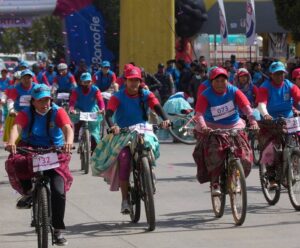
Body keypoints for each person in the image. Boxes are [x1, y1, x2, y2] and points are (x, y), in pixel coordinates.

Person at [91, 66, 170, 214]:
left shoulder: (146, 94)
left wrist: (165, 120)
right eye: (131, 80)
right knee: (124, 159)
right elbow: (108, 115)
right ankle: (125, 200)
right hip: (123, 133)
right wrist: (113, 126)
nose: (134, 83)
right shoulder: (117, 97)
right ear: (125, 81)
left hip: (143, 130)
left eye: (137, 80)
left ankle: (148, 173)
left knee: (149, 145)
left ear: (140, 81)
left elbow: (157, 107)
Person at [5, 84, 73, 245]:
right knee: (16, 162)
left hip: (54, 150)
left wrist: (69, 142)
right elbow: (17, 127)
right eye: (41, 100)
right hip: (30, 149)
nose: (45, 103)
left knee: (59, 191)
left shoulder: (58, 111)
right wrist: (11, 141)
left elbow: (67, 128)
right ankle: (29, 191)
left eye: (47, 99)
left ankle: (57, 230)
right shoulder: (26, 112)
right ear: (33, 101)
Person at [193, 67, 258, 195]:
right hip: (212, 127)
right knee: (214, 153)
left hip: (234, 125)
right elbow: (199, 114)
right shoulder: (206, 95)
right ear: (211, 82)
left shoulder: (234, 91)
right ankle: (215, 182)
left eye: (223, 81)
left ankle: (235, 178)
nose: (220, 84)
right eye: (217, 81)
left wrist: (253, 121)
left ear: (227, 81)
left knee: (244, 154)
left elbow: (246, 107)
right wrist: (204, 126)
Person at [256, 61, 300, 188]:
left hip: (289, 119)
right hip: (271, 121)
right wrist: (266, 115)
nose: (280, 76)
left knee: (293, 143)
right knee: (272, 149)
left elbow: (298, 97)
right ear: (271, 75)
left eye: (282, 73)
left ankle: (291, 166)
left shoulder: (289, 85)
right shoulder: (265, 87)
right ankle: (271, 178)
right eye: (277, 74)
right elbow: (261, 104)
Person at [69, 72, 105, 152]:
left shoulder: (95, 89)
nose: (87, 84)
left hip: (91, 109)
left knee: (95, 133)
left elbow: (100, 100)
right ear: (81, 82)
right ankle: (76, 133)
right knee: (77, 117)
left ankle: (93, 148)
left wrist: (102, 108)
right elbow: (72, 101)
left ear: (91, 82)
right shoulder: (76, 90)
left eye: (88, 82)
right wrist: (71, 109)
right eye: (84, 82)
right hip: (79, 110)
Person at [4, 69, 37, 142]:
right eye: (24, 78)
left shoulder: (36, 87)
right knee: (17, 138)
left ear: (32, 79)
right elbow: (10, 100)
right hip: (18, 114)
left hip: (33, 113)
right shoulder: (15, 88)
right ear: (21, 79)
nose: (26, 80)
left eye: (29, 78)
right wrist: (11, 110)